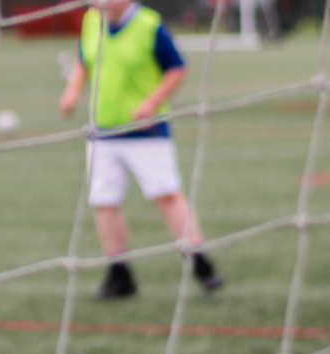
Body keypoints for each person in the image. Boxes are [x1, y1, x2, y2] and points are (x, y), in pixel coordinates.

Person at [61, 0, 223, 299]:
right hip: (103, 132)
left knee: (167, 195)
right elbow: (84, 60)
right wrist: (71, 93)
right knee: (105, 201)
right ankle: (119, 274)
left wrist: (151, 102)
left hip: (146, 132)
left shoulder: (149, 25)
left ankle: (201, 263)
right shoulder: (91, 21)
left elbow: (176, 68)